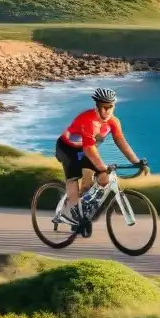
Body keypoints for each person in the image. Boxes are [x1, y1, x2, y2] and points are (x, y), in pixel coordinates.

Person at [56, 87, 148, 232]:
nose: (106, 111)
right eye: (102, 107)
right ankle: (68, 212)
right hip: (67, 149)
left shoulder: (114, 122)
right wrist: (102, 166)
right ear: (96, 107)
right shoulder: (89, 121)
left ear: (114, 106)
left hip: (84, 150)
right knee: (76, 177)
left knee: (103, 179)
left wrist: (136, 162)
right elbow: (89, 149)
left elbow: (122, 143)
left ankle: (84, 209)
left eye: (109, 107)